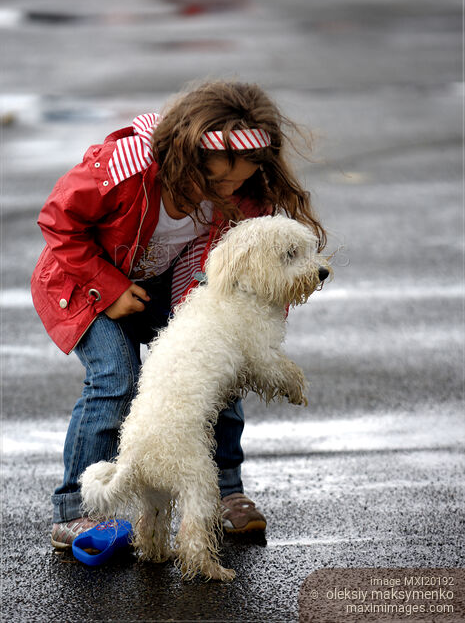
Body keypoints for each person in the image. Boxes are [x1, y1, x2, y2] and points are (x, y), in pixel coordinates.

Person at [31, 79, 327, 549]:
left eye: (241, 178)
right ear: (185, 158)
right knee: (116, 377)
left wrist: (252, 333)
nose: (229, 189)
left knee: (220, 364)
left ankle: (227, 492)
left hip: (161, 287)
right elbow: (58, 221)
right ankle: (76, 510)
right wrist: (107, 290)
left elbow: (262, 269)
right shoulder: (123, 169)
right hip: (85, 284)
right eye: (216, 180)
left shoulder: (241, 195)